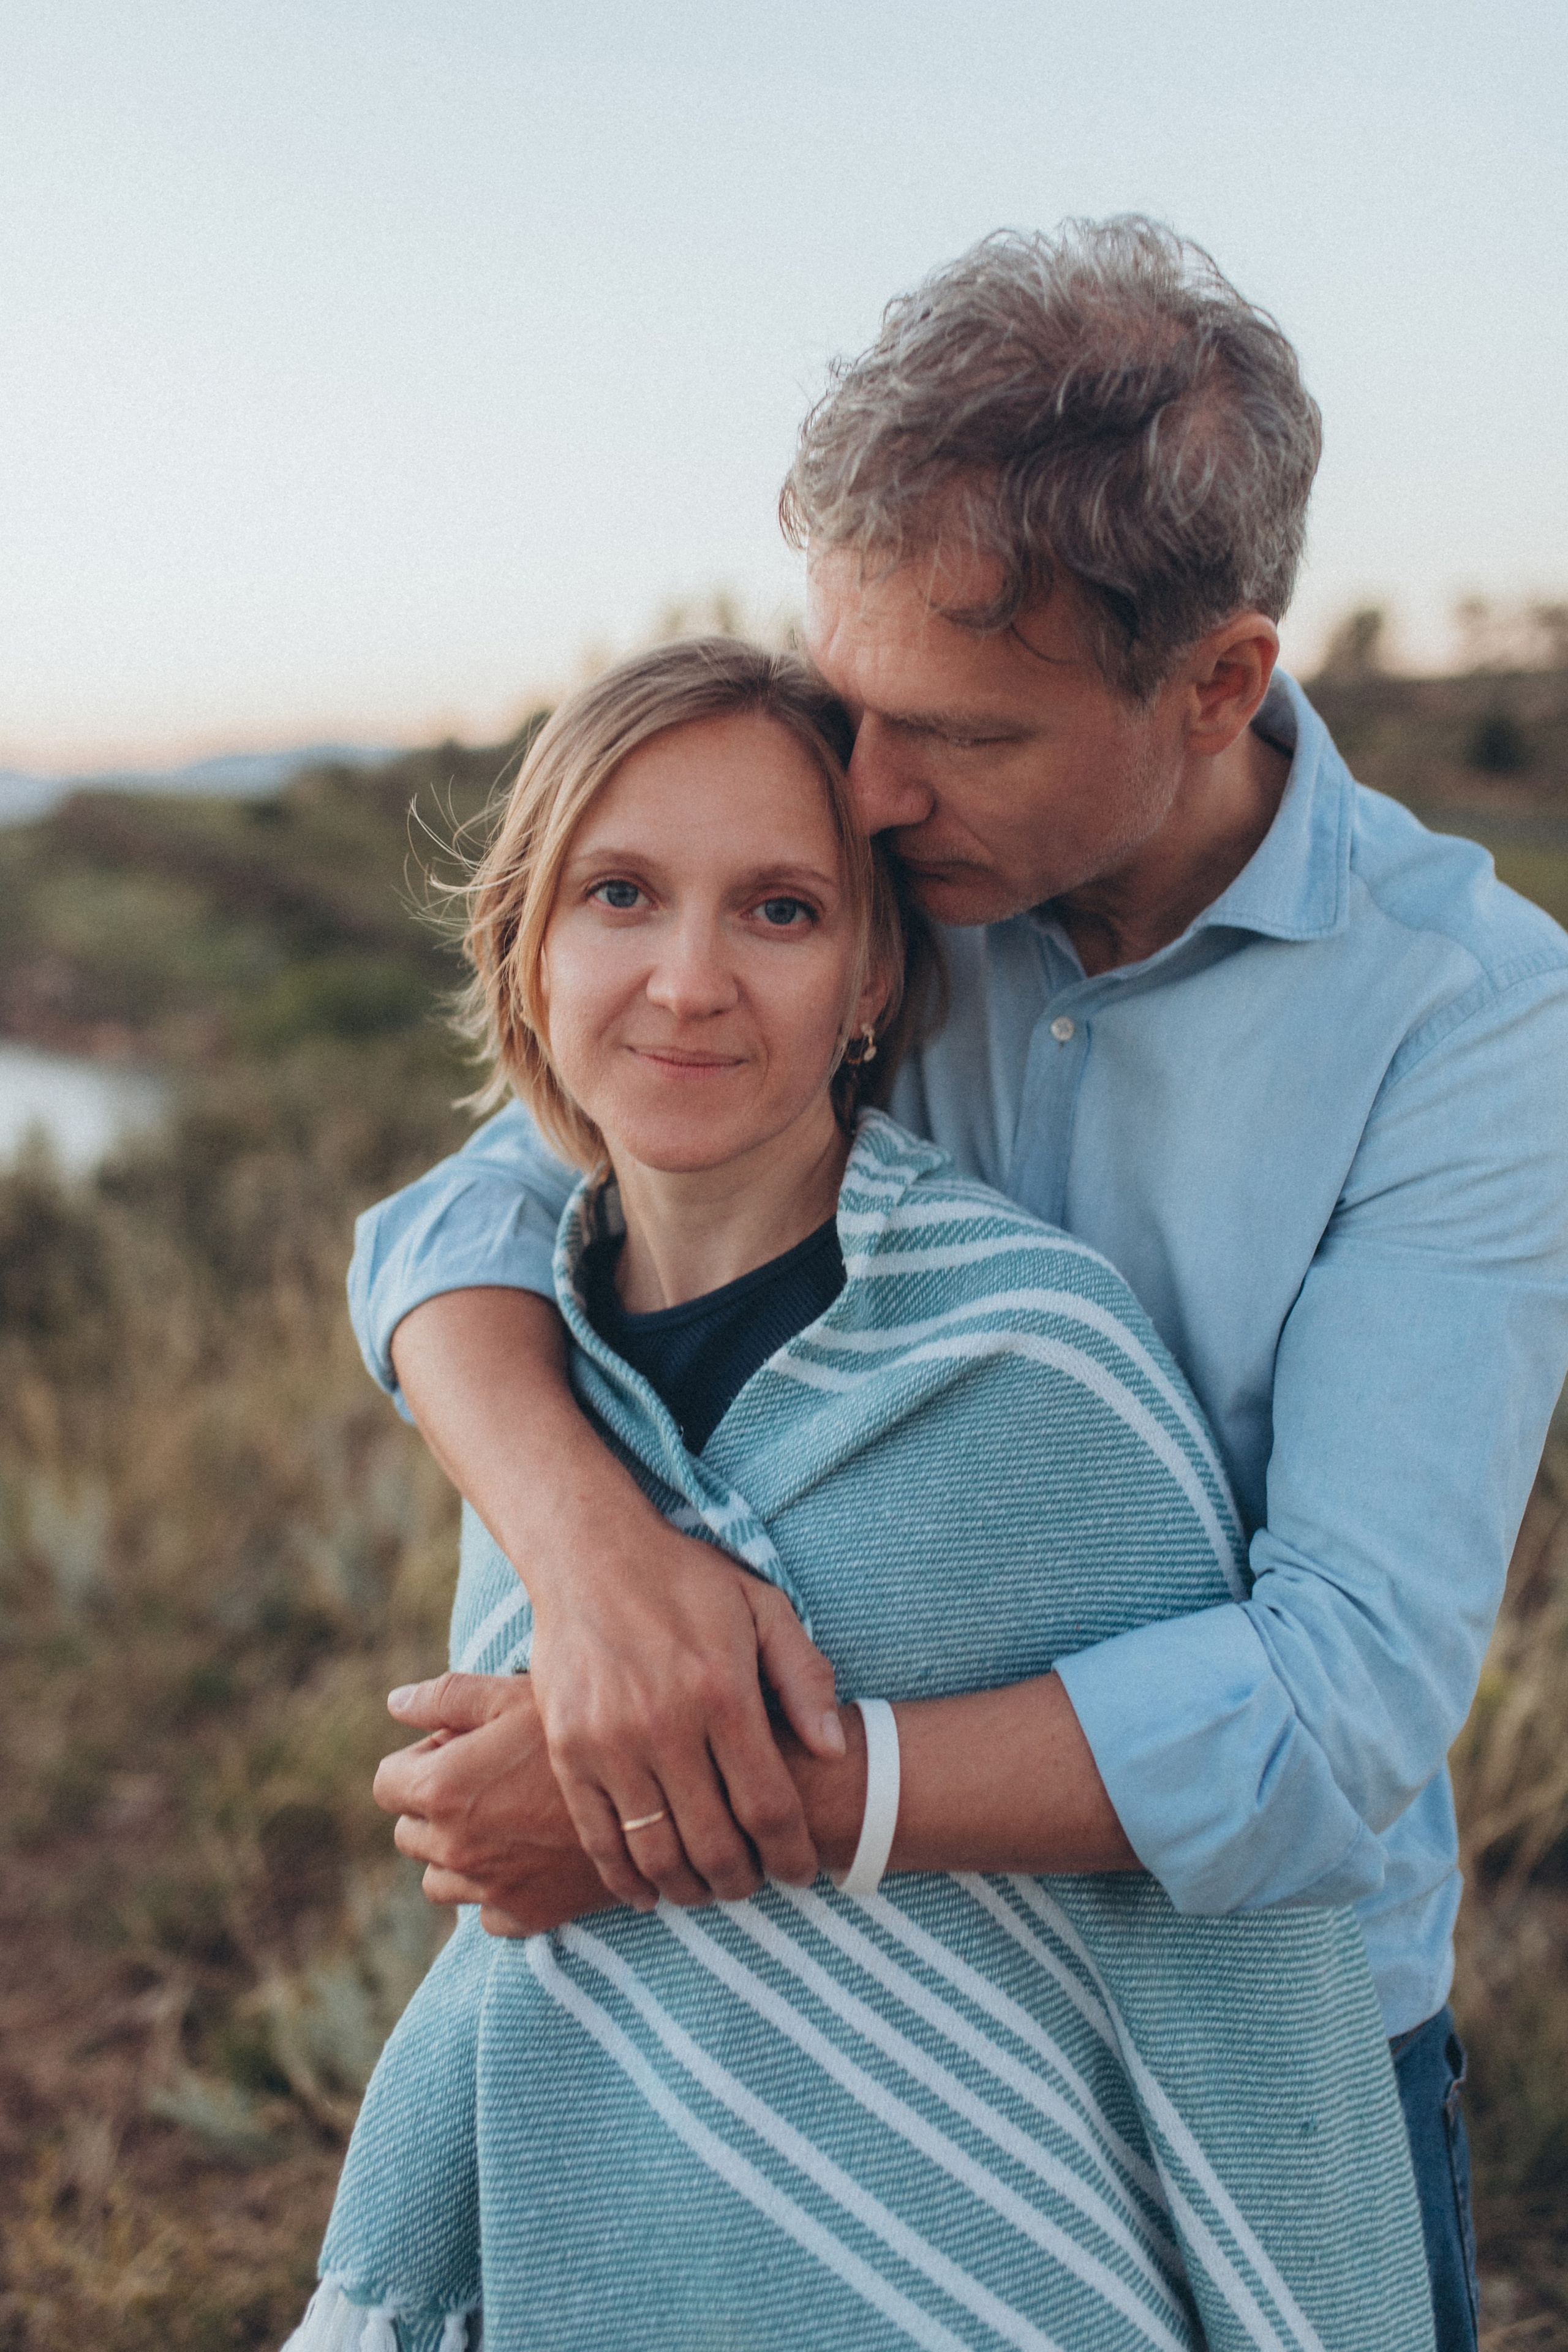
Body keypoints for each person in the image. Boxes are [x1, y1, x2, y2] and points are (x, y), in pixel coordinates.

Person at [349, 223, 1568, 2352]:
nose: (879, 787)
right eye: (858, 708)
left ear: (1218, 684)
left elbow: (1336, 1707)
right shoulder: (901, 883)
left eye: (964, 735)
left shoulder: (1475, 1026)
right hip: (780, 2017)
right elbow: (472, 1208)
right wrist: (596, 1559)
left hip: (1235, 2038)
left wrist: (657, 1808)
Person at [291, 636, 1431, 2351]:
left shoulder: (1036, 1366)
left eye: (780, 911)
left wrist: (625, 1819)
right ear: (525, 954)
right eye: (619, 895)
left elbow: (1245, 1946)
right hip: (597, 2240)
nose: (686, 980)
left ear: (874, 982)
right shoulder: (549, 1353)